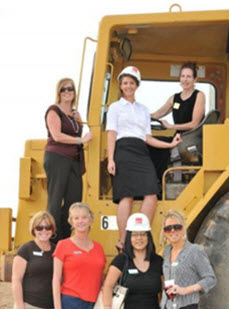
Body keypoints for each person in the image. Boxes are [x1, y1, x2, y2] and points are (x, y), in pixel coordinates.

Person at [106, 66, 182, 251]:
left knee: (152, 194)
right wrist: (111, 159)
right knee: (126, 196)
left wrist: (170, 145)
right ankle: (123, 240)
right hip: (123, 150)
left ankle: (138, 235)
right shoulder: (114, 108)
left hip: (141, 150)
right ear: (121, 85)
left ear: (136, 85)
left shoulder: (143, 110)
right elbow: (111, 133)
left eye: (131, 83)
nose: (128, 86)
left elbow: (148, 138)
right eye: (125, 83)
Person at [44, 78, 93, 242]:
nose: (67, 92)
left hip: (74, 160)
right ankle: (51, 239)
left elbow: (76, 133)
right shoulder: (53, 111)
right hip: (57, 157)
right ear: (58, 92)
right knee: (55, 200)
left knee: (74, 200)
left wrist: (78, 121)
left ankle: (64, 238)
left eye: (70, 89)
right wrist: (81, 140)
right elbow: (57, 136)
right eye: (63, 89)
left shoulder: (74, 115)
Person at [150, 62, 206, 179]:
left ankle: (160, 182)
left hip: (190, 139)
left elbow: (194, 124)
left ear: (195, 79)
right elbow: (157, 114)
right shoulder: (174, 98)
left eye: (189, 76)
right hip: (177, 137)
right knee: (150, 143)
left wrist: (171, 126)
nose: (185, 80)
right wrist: (137, 115)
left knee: (162, 149)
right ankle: (154, 182)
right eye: (183, 76)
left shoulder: (199, 96)